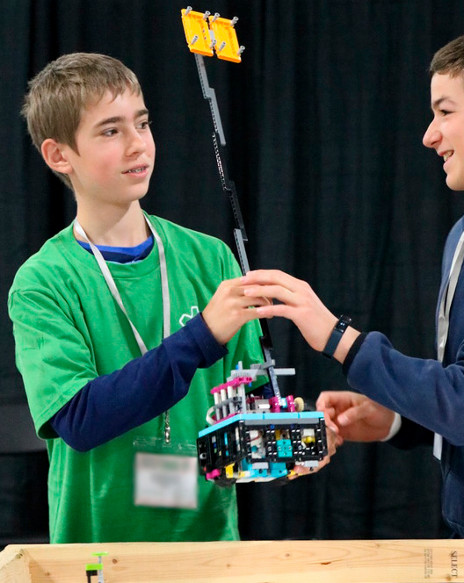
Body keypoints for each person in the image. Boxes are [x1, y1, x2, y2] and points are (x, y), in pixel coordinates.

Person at [240, 24, 464, 538]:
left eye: (445, 112)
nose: (429, 135)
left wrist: (339, 339)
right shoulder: (463, 236)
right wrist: (397, 421)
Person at [8, 52, 269, 544]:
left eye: (142, 123)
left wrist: (286, 436)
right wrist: (200, 337)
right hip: (99, 555)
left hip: (209, 551)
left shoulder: (211, 259)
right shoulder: (43, 281)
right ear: (59, 155)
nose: (138, 145)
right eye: (110, 131)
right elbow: (80, 420)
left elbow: (246, 403)